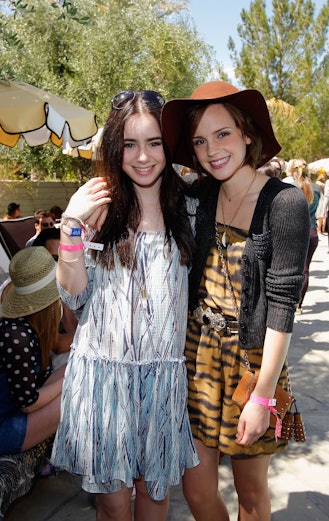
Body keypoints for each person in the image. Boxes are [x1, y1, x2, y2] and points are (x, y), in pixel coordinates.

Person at [161, 81, 310, 521]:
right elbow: (142, 181)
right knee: (197, 490)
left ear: (247, 133)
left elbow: (283, 304)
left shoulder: (284, 203)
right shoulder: (199, 194)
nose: (211, 150)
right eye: (200, 141)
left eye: (222, 134)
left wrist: (263, 396)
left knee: (250, 494)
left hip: (254, 363)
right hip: (197, 354)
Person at [51, 89, 199, 521]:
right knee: (114, 507)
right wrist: (70, 226)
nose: (143, 157)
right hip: (103, 380)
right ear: (115, 148)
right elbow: (74, 295)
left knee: (154, 501)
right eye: (130, 144)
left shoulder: (190, 210)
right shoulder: (96, 209)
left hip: (162, 380)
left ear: (168, 146)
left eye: (154, 142)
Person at [0, 247, 65, 455]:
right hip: (6, 425)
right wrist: (69, 379)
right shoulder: (15, 336)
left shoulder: (29, 325)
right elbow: (28, 403)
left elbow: (40, 382)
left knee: (81, 368)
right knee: (80, 390)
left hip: (15, 412)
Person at [33, 227, 78, 364]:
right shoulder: (34, 291)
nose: (60, 264)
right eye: (54, 258)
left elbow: (71, 326)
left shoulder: (62, 282)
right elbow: (58, 345)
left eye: (65, 258)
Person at [283, 159, 320, 315]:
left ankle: (289, 303)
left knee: (288, 271)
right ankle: (299, 304)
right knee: (305, 270)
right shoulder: (317, 188)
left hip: (295, 232)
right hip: (312, 232)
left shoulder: (289, 187)